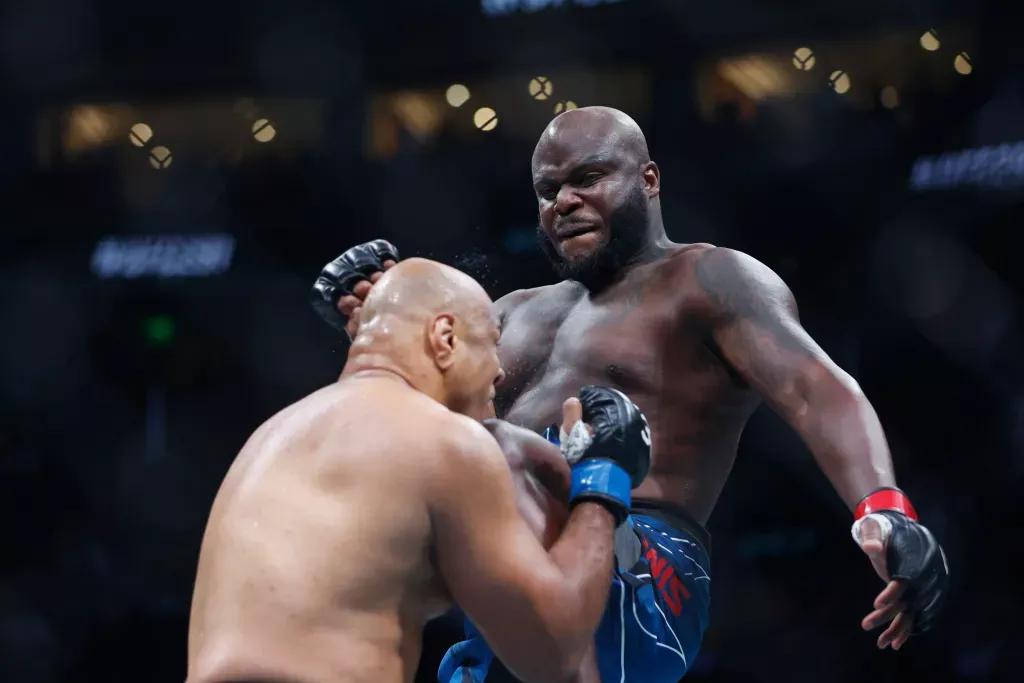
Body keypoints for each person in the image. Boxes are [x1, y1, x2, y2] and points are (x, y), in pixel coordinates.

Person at [311, 107, 950, 683]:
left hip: (640, 565)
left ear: (648, 181)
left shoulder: (706, 279)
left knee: (490, 445)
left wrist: (884, 506)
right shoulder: (507, 313)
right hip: (501, 573)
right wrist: (383, 329)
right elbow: (420, 431)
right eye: (547, 190)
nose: (564, 201)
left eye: (588, 178)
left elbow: (815, 389)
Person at [187, 258, 655, 683]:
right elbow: (552, 653)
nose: (499, 372)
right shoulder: (449, 442)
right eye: (492, 343)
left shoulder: (272, 436)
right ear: (445, 338)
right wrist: (603, 475)